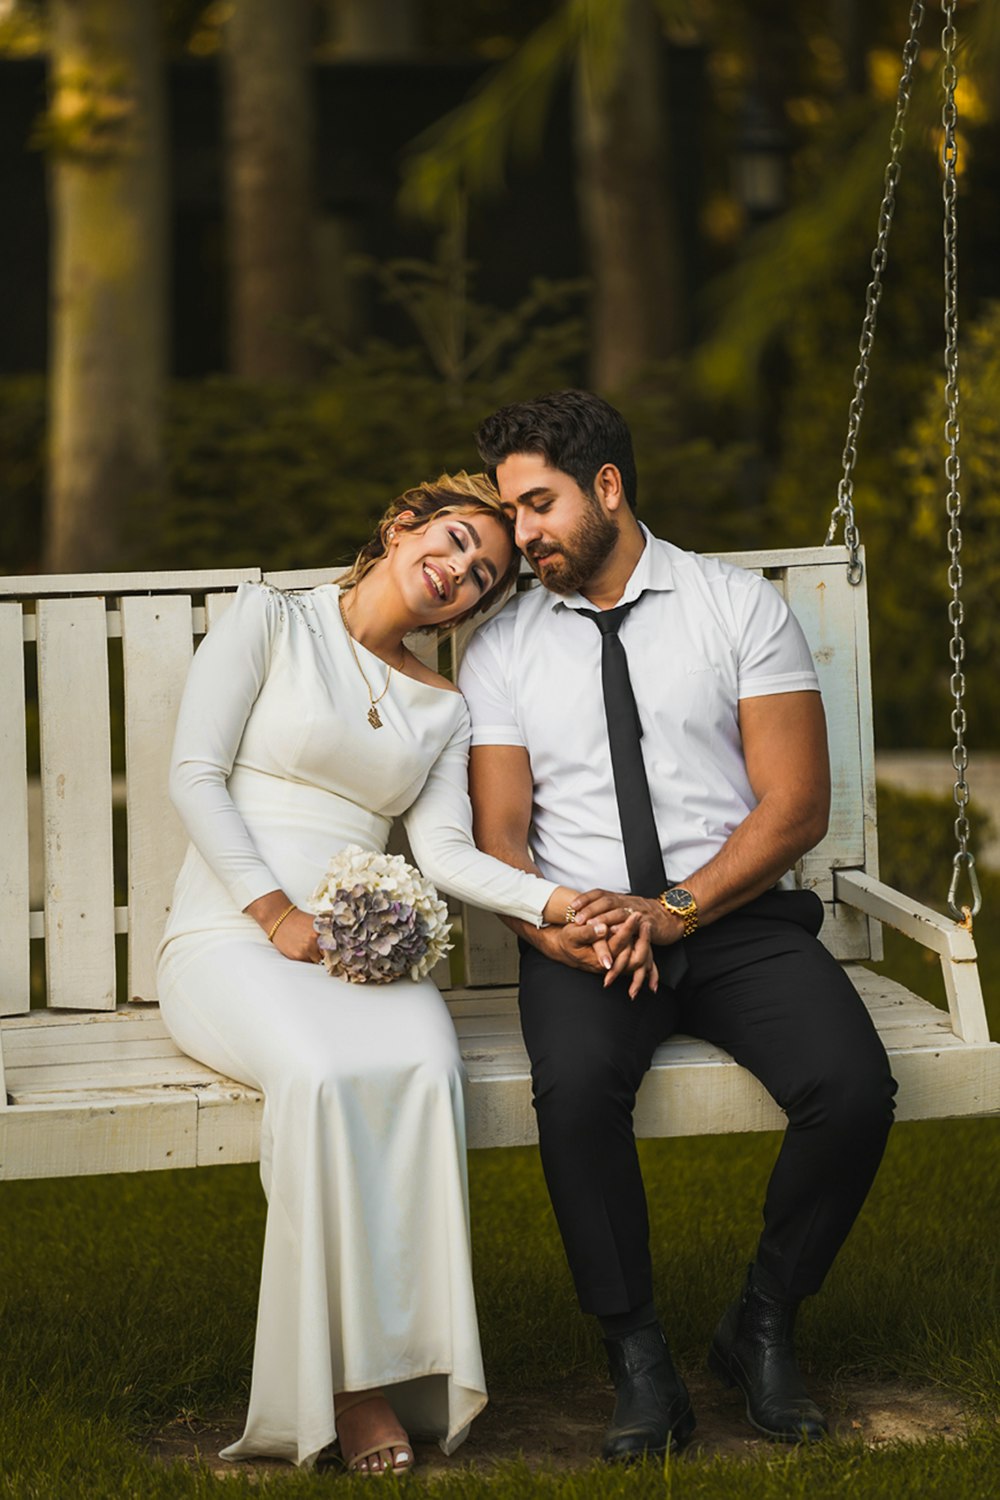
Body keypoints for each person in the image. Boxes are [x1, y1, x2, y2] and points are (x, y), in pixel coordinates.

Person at [459, 390, 899, 1460]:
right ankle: (638, 1354)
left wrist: (677, 909)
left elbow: (793, 805)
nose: (523, 536)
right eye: (513, 513)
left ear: (607, 487)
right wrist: (551, 927)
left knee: (851, 1091)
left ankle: (762, 1320)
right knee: (574, 1098)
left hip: (731, 914)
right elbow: (503, 834)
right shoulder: (502, 645)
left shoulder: (733, 606)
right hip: (588, 933)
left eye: (539, 505)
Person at [155, 471, 608, 1475]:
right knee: (320, 1081)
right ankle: (353, 1390)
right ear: (401, 526)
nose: (456, 574)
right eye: (450, 542)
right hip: (233, 935)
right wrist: (274, 913)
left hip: (360, 945)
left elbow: (444, 854)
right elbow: (192, 772)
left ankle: (412, 1371)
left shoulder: (443, 706)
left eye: (482, 576)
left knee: (417, 1072)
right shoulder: (270, 619)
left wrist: (558, 903)